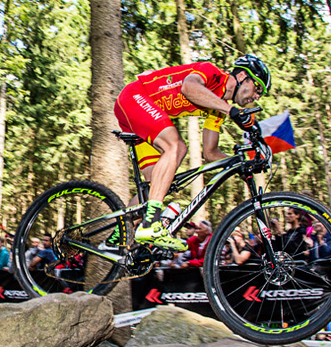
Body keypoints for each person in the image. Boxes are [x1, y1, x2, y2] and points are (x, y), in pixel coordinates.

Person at [114, 54, 270, 250]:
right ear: (241, 76)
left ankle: (114, 238)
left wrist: (240, 163)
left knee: (157, 185)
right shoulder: (212, 73)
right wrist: (231, 111)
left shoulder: (217, 109)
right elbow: (189, 87)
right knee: (176, 147)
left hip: (140, 116)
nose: (257, 97)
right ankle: (151, 225)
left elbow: (210, 153)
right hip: (135, 97)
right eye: (257, 89)